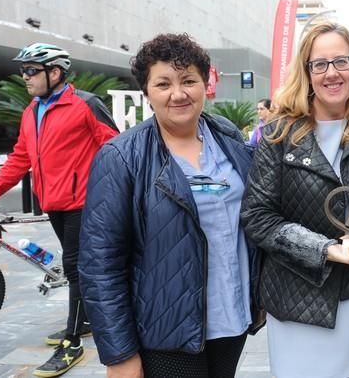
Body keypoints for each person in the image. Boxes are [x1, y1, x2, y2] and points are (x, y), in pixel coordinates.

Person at [240, 23, 349, 378]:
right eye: (319, 64)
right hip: (296, 298)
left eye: (341, 61)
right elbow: (258, 216)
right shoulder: (278, 134)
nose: (332, 73)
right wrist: (324, 250)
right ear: (306, 72)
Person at [79, 33, 258, 378]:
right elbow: (100, 264)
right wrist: (120, 354)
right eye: (163, 83)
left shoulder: (227, 137)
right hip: (166, 332)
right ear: (147, 92)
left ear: (205, 84)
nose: (178, 93)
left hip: (231, 319)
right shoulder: (121, 158)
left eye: (189, 80)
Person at [0, 42, 118, 377]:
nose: (25, 77)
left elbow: (115, 148)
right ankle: (87, 319)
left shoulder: (85, 104)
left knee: (75, 268)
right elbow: (20, 158)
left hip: (85, 204)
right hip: (55, 205)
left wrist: (107, 193)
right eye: (23, 71)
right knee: (77, 267)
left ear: (55, 73)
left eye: (31, 71)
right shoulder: (32, 110)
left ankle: (72, 341)